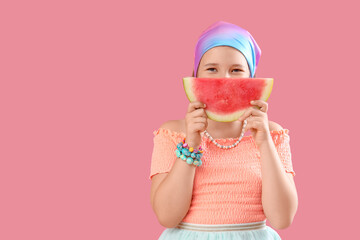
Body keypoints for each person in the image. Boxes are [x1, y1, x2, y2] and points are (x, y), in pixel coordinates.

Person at [149, 21, 298, 240]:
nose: (225, 79)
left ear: (252, 78)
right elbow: (167, 216)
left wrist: (265, 143)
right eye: (211, 69)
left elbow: (282, 219)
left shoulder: (272, 134)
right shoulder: (172, 133)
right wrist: (191, 144)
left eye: (236, 70)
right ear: (195, 76)